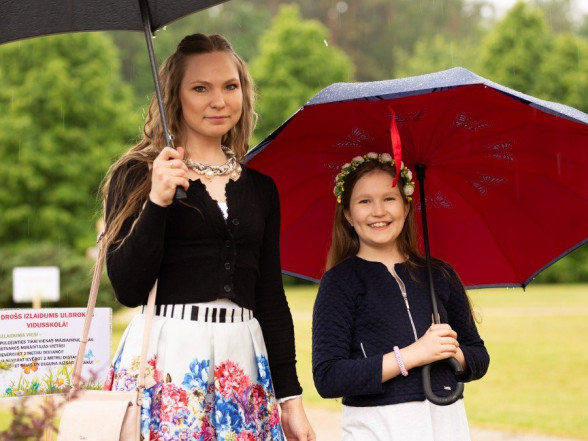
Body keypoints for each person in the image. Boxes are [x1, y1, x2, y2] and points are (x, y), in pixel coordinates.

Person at [101, 33, 315, 441]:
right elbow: (127, 287)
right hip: (165, 365)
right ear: (174, 96)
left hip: (242, 365)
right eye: (201, 88)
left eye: (230, 86)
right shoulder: (138, 174)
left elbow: (270, 297)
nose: (219, 101)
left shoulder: (261, 189)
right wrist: (157, 201)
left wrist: (291, 400)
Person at [312, 152, 490, 441]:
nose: (378, 211)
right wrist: (413, 355)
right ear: (347, 214)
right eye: (364, 201)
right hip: (379, 426)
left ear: (406, 207)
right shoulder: (340, 282)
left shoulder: (439, 275)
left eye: (389, 198)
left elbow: (479, 357)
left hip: (446, 421)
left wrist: (451, 351)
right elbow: (328, 377)